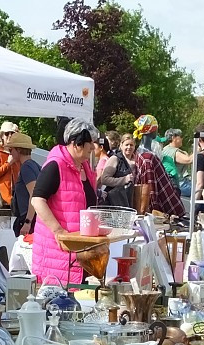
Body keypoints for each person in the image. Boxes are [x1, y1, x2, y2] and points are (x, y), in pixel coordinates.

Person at [29, 117, 99, 285]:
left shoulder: (85, 168)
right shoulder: (55, 165)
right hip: (57, 255)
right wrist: (58, 231)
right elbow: (37, 200)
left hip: (80, 253)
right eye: (90, 142)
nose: (93, 147)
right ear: (77, 143)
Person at [132, 115, 184, 218]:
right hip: (156, 212)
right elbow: (150, 187)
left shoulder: (140, 153)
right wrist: (154, 211)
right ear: (152, 130)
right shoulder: (148, 158)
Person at [7, 131, 39, 236]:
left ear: (19, 150)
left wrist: (27, 222)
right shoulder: (35, 165)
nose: (10, 153)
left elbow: (34, 194)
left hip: (30, 219)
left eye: (11, 149)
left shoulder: (26, 167)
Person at [97, 133, 134, 207]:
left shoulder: (138, 160)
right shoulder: (115, 159)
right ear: (121, 145)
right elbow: (104, 179)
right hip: (114, 203)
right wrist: (124, 180)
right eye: (126, 145)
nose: (129, 147)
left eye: (131, 145)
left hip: (131, 201)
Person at [0, 121, 20, 206]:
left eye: (12, 133)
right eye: (6, 133)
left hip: (15, 196)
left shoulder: (17, 152)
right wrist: (8, 163)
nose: (9, 136)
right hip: (0, 198)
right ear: (2, 136)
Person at [161, 128, 192, 197]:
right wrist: (198, 149)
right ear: (173, 138)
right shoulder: (174, 152)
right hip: (179, 183)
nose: (182, 139)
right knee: (200, 189)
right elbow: (189, 160)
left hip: (169, 182)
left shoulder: (165, 149)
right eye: (180, 136)